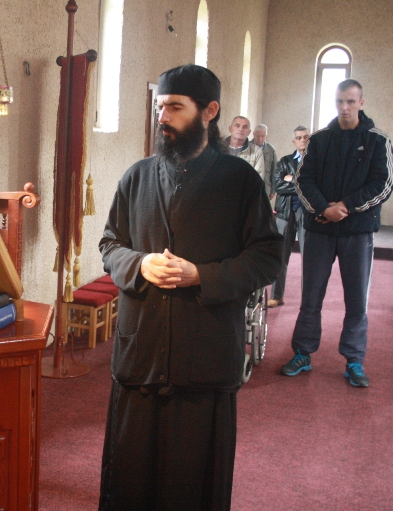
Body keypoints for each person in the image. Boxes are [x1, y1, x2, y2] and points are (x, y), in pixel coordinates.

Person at [98, 64, 282, 511]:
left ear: (209, 111)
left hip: (205, 359)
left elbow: (267, 257)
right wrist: (140, 264)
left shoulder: (240, 181)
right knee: (129, 484)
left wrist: (202, 275)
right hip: (141, 357)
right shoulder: (137, 176)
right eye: (160, 106)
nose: (163, 117)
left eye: (175, 107)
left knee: (193, 487)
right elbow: (109, 244)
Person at [281, 79, 393, 388]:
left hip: (358, 232)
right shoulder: (319, 140)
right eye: (340, 101)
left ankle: (354, 359)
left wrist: (346, 206)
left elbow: (382, 185)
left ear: (361, 103)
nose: (344, 107)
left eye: (351, 102)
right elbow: (303, 180)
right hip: (320, 229)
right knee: (311, 296)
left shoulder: (377, 140)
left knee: (356, 300)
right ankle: (303, 353)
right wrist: (323, 208)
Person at [269, 125, 309, 308]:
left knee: (308, 259)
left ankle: (308, 300)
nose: (303, 140)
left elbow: (315, 186)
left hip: (307, 214)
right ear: (294, 141)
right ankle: (276, 296)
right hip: (285, 214)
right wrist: (302, 184)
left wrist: (292, 179)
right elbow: (278, 186)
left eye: (306, 137)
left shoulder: (316, 161)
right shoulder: (284, 162)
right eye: (299, 137)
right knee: (281, 256)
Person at [224, 115, 265, 182]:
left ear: (249, 132)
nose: (241, 129)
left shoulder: (256, 152)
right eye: (237, 126)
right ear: (230, 129)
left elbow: (258, 181)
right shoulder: (218, 148)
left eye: (245, 127)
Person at [253, 124, 277, 200]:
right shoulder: (248, 147)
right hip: (251, 185)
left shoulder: (271, 150)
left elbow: (274, 170)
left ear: (266, 135)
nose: (260, 138)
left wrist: (273, 190)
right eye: (258, 136)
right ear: (253, 134)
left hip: (266, 186)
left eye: (262, 136)